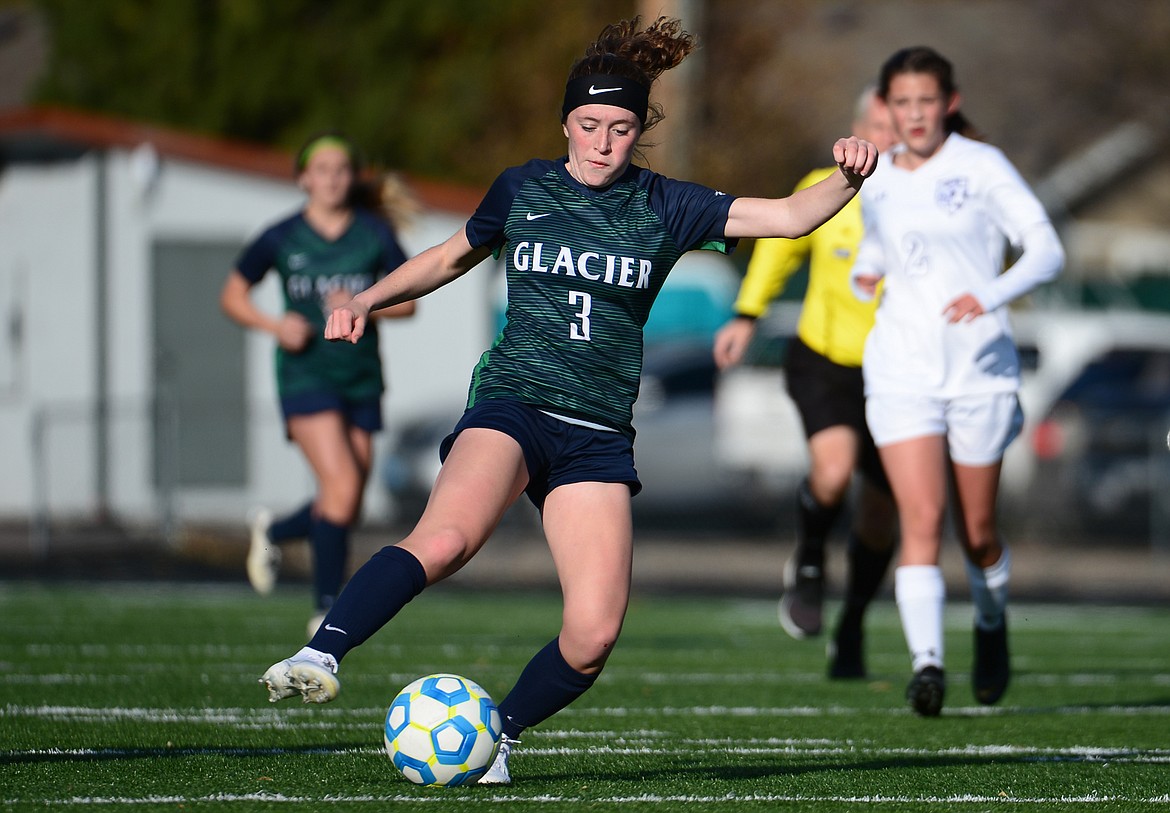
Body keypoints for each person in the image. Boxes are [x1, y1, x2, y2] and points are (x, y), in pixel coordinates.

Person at [259, 16, 877, 784]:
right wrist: (367, 299)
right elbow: (450, 255)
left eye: (621, 128)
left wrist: (846, 178)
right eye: (588, 125)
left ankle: (500, 738)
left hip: (596, 434)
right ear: (565, 123)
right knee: (447, 538)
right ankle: (321, 650)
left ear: (638, 132)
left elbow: (786, 218)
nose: (602, 142)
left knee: (592, 633)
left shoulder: (666, 203)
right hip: (514, 403)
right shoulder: (525, 186)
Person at [851, 47, 1063, 716]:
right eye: (901, 103)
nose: (913, 115)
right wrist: (866, 271)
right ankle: (927, 664)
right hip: (902, 367)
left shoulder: (982, 167)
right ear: (886, 107)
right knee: (922, 517)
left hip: (977, 371)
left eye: (925, 101)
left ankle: (992, 622)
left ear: (949, 102)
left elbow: (1047, 249)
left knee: (976, 531)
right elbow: (878, 244)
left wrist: (989, 294)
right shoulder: (877, 175)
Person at [712, 86, 899, 679]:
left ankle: (852, 626)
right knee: (834, 469)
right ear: (857, 124)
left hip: (901, 373)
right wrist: (747, 313)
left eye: (897, 124)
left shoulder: (923, 195)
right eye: (877, 122)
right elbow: (777, 251)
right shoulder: (829, 184)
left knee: (879, 518)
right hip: (826, 360)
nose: (886, 134)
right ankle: (812, 561)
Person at [220, 133, 416, 637]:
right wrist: (275, 326)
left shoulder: (373, 233)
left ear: (351, 178)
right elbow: (233, 296)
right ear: (304, 178)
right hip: (306, 374)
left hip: (360, 376)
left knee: (345, 501)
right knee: (343, 485)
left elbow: (410, 303)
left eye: (341, 169)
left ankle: (276, 529)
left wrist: (362, 304)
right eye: (322, 169)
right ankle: (324, 610)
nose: (332, 178)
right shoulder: (282, 235)